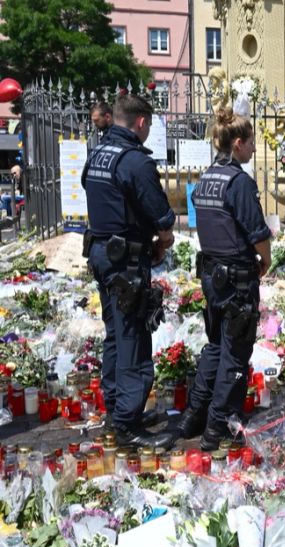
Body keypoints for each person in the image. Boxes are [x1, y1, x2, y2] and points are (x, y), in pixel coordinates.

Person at [82, 94, 175, 448]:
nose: (149, 131)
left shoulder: (98, 155)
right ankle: (127, 425)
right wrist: (163, 240)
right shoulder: (135, 161)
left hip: (101, 254)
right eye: (148, 124)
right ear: (139, 123)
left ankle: (118, 408)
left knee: (114, 334)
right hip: (127, 262)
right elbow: (162, 216)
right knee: (134, 337)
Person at [177, 108, 273, 450]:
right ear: (237, 142)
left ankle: (192, 416)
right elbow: (256, 232)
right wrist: (267, 258)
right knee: (235, 352)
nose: (253, 150)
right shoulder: (239, 182)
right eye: (250, 143)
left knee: (215, 346)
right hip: (238, 278)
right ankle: (217, 427)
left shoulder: (205, 180)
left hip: (212, 275)